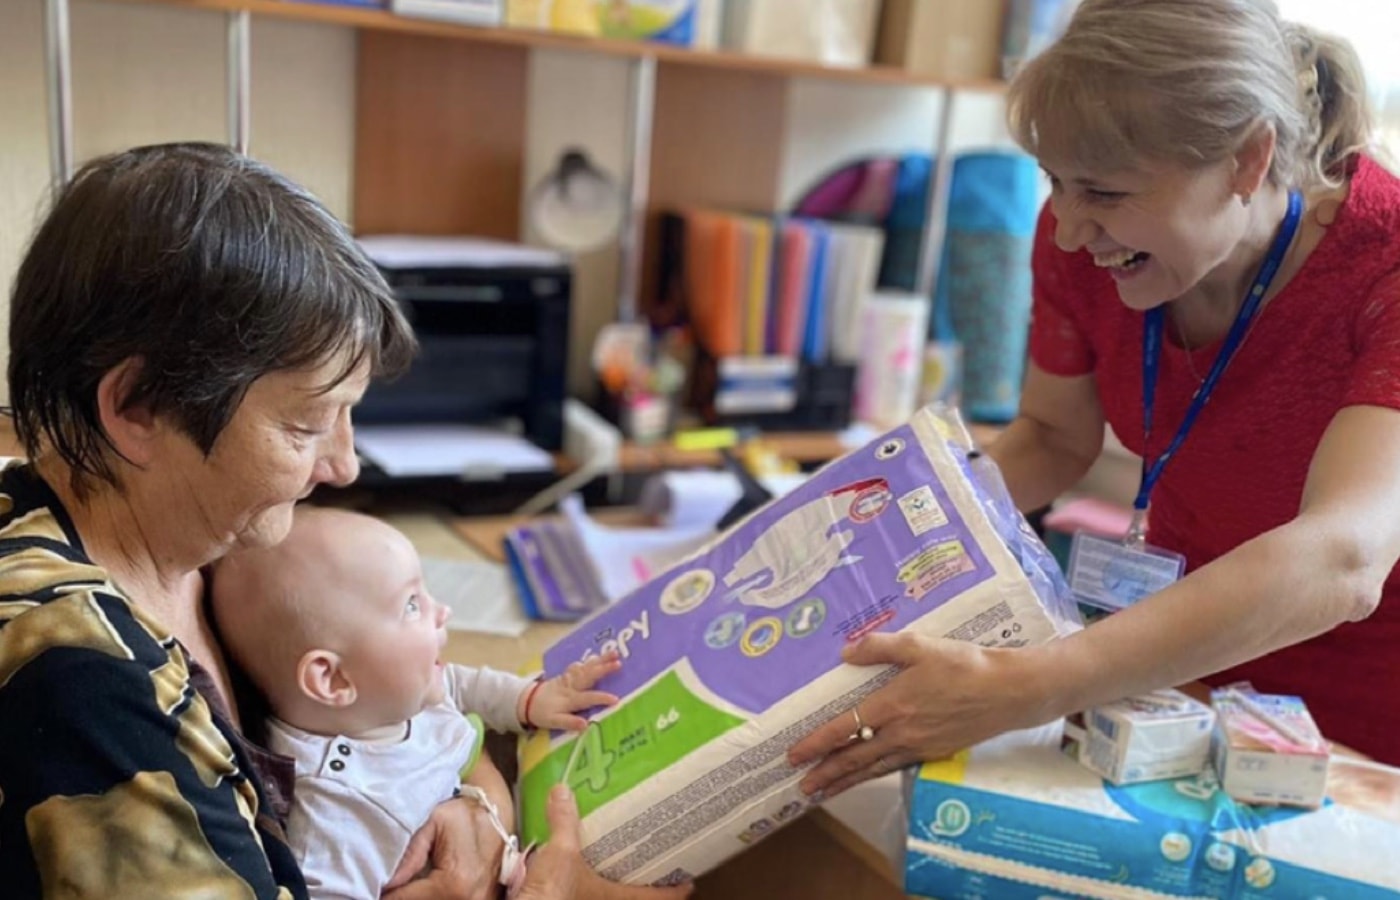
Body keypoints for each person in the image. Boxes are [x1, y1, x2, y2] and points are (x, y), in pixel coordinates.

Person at [0, 142, 687, 900]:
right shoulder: (83, 684)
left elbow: (420, 709)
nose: (345, 466)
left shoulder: (200, 540)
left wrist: (474, 807)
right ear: (137, 407)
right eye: (304, 426)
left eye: (347, 416)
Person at [791, 0, 1400, 792]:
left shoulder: (1380, 269)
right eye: (1055, 181)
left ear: (1250, 160)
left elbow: (1345, 559)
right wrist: (863, 551)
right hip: (1172, 671)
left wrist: (1031, 684)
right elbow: (1051, 435)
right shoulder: (1085, 238)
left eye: (1105, 193)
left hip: (1364, 726)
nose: (1071, 231)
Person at [210, 506, 621, 899]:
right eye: (411, 605)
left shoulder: (385, 698)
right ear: (333, 679)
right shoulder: (337, 814)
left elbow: (457, 683)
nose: (442, 611)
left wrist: (530, 699)